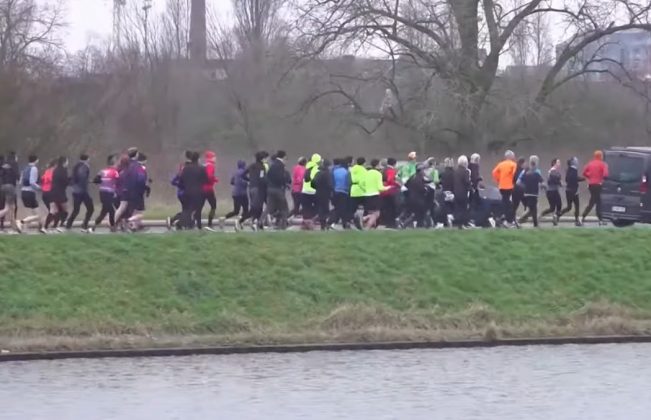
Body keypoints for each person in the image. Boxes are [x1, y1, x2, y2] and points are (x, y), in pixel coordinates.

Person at [179, 151, 208, 229]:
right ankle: (198, 225)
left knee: (188, 209)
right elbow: (206, 180)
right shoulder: (202, 168)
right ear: (198, 159)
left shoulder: (186, 168)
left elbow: (181, 179)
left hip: (187, 191)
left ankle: (186, 224)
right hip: (198, 192)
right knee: (197, 210)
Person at [66, 153, 94, 232]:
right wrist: (86, 183)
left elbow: (73, 177)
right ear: (87, 159)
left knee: (76, 210)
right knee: (90, 208)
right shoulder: (84, 166)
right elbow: (82, 177)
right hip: (82, 191)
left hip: (75, 191)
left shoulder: (76, 166)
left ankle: (69, 224)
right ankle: (84, 224)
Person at [91, 154, 120, 232]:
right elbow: (119, 182)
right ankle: (113, 227)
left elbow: (95, 180)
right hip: (109, 194)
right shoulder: (115, 172)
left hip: (102, 193)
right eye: (116, 162)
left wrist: (99, 181)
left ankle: (93, 226)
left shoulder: (102, 171)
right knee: (111, 211)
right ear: (114, 163)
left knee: (104, 211)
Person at [19, 154, 45, 233]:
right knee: (39, 214)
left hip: (23, 192)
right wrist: (40, 188)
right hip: (30, 193)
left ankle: (26, 229)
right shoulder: (34, 169)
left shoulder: (25, 168)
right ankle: (21, 222)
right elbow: (32, 182)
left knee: (33, 213)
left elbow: (20, 182)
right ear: (36, 160)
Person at [582, 150, 609, 225]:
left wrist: (590, 176)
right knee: (594, 202)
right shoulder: (603, 164)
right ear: (601, 156)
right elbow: (606, 174)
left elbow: (584, 172)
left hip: (591, 185)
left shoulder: (590, 163)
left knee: (597, 201)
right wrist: (601, 178)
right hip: (598, 184)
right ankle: (584, 216)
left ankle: (600, 219)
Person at [266, 150, 291, 230]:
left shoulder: (271, 166)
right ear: (284, 156)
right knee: (284, 209)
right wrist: (285, 183)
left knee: (270, 208)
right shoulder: (280, 165)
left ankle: (260, 222)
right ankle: (282, 226)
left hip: (270, 188)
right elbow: (281, 177)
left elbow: (268, 176)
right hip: (278, 189)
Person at [518, 155, 545, 227]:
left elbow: (519, 182)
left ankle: (523, 220)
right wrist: (543, 186)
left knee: (531, 209)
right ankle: (533, 223)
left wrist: (525, 187)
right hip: (534, 193)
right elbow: (542, 182)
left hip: (527, 193)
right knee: (534, 209)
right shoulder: (536, 173)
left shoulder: (526, 172)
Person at [360, 159, 387, 229]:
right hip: (374, 195)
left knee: (371, 213)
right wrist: (388, 188)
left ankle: (367, 222)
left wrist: (365, 189)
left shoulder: (367, 173)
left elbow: (361, 183)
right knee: (376, 214)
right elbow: (380, 187)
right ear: (377, 165)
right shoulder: (378, 174)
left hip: (366, 195)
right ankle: (366, 226)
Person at [492, 150, 517, 226]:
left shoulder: (500, 164)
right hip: (510, 186)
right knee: (509, 203)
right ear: (511, 156)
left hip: (502, 186)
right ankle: (507, 219)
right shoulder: (513, 164)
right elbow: (514, 174)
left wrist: (498, 179)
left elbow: (494, 172)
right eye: (513, 156)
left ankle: (500, 216)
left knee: (504, 201)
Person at [168, 151, 192, 230]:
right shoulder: (190, 168)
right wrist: (183, 186)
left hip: (181, 193)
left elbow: (173, 181)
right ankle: (176, 221)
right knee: (189, 210)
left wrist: (180, 185)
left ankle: (184, 224)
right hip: (187, 193)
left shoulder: (182, 167)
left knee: (186, 210)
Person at [223, 160, 249, 231]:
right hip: (242, 194)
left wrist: (237, 184)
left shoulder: (235, 172)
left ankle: (223, 218)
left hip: (235, 194)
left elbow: (232, 182)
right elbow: (245, 181)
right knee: (246, 210)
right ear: (244, 165)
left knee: (236, 211)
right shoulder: (244, 172)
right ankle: (240, 221)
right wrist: (247, 183)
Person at [246, 151, 268, 231]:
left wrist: (249, 180)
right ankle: (251, 221)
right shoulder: (262, 167)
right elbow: (262, 178)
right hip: (258, 188)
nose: (267, 160)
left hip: (251, 188)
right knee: (258, 207)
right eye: (266, 158)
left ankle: (258, 224)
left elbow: (243, 174)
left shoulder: (251, 165)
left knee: (254, 206)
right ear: (262, 159)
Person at [0, 154, 22, 233]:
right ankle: (14, 226)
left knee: (9, 208)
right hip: (10, 188)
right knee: (9, 209)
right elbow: (18, 178)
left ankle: (14, 227)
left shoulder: (3, 166)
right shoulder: (14, 165)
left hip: (2, 188)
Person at [560, 157, 584, 226]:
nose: (577, 162)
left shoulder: (568, 169)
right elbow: (575, 179)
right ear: (574, 162)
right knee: (577, 206)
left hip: (568, 190)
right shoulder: (574, 169)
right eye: (576, 161)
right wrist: (583, 178)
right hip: (574, 191)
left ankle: (558, 214)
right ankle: (577, 221)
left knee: (569, 207)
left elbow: (567, 179)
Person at [301, 153, 321, 230]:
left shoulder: (307, 167)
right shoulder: (317, 169)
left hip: (305, 191)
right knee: (317, 207)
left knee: (306, 208)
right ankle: (311, 222)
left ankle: (305, 223)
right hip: (314, 191)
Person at [50, 156, 70, 232]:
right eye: (67, 161)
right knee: (65, 211)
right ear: (64, 162)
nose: (68, 163)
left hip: (54, 191)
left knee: (58, 210)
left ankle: (55, 225)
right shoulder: (63, 170)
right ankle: (59, 225)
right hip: (60, 192)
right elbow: (65, 181)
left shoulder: (55, 170)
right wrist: (70, 181)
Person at [312, 159, 333, 230]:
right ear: (328, 166)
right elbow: (330, 184)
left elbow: (313, 183)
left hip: (318, 193)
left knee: (320, 209)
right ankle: (324, 225)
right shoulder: (327, 174)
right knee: (325, 209)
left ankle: (322, 225)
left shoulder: (318, 173)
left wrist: (317, 188)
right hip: (325, 194)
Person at [330, 158, 351, 228]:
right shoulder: (347, 172)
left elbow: (332, 182)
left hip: (335, 192)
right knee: (342, 208)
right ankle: (335, 222)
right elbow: (348, 183)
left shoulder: (334, 171)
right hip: (344, 192)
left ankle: (343, 223)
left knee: (337, 208)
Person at [541, 158, 563, 225]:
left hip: (552, 191)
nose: (559, 164)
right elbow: (553, 179)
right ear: (554, 163)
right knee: (558, 205)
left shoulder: (555, 171)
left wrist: (560, 183)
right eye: (558, 162)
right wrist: (559, 182)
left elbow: (555, 180)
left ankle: (553, 218)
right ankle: (554, 217)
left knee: (553, 208)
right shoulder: (552, 170)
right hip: (552, 191)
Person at [380, 157, 400, 228]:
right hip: (390, 191)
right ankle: (391, 224)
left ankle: (385, 223)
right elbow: (390, 180)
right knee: (392, 208)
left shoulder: (383, 170)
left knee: (386, 208)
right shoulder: (391, 170)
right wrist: (398, 184)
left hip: (383, 191)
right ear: (394, 163)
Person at [201, 151, 218, 231]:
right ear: (210, 158)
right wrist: (214, 180)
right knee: (213, 206)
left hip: (201, 188)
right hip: (208, 189)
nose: (215, 158)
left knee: (199, 207)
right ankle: (210, 223)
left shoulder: (203, 165)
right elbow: (209, 176)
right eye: (214, 156)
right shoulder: (211, 166)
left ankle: (196, 223)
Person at [453, 155, 472, 228]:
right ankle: (464, 223)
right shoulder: (465, 172)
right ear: (465, 163)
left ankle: (458, 224)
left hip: (456, 192)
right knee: (464, 208)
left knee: (458, 208)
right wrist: (471, 188)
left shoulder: (455, 171)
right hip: (463, 192)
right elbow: (467, 182)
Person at [349, 157, 367, 229]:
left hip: (353, 190)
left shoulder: (353, 169)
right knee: (366, 207)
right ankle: (362, 220)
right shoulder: (363, 170)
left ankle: (352, 218)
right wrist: (365, 189)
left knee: (353, 208)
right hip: (361, 191)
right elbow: (362, 181)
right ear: (364, 163)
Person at [439, 157, 456, 227]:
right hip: (453, 192)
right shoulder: (455, 173)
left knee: (446, 208)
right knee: (453, 208)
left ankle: (446, 221)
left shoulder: (442, 173)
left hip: (445, 193)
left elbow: (439, 182)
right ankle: (452, 221)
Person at [41, 159, 56, 230]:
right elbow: (53, 181)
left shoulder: (46, 171)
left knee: (51, 210)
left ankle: (44, 224)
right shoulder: (53, 172)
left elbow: (42, 180)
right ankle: (45, 226)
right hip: (50, 192)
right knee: (53, 210)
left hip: (44, 193)